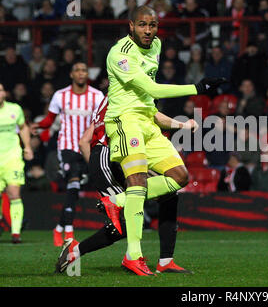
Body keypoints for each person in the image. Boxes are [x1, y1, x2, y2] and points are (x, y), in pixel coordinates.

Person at [103, 5, 225, 276]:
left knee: (180, 176)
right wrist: (198, 87)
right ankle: (133, 255)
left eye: (153, 25)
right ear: (131, 26)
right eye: (143, 25)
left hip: (148, 121)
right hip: (125, 122)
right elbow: (152, 88)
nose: (149, 31)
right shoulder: (120, 54)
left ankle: (119, 202)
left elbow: (148, 98)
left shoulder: (156, 45)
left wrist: (171, 121)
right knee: (137, 180)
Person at [55, 96, 198, 274]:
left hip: (128, 153)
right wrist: (98, 172)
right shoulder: (123, 93)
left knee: (169, 195)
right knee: (121, 225)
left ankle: (165, 261)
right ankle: (75, 251)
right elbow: (86, 140)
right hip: (107, 158)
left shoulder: (122, 91)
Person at [31, 62, 105, 246]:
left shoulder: (96, 96)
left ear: (87, 75)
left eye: (84, 71)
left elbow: (101, 122)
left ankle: (58, 228)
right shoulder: (60, 95)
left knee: (75, 188)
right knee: (73, 183)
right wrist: (38, 126)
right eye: (78, 70)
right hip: (67, 146)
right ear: (72, 74)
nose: (81, 73)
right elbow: (50, 119)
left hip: (88, 147)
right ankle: (69, 234)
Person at [0, 83, 33, 243]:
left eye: (0, 90)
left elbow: (23, 127)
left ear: (4, 93)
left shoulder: (14, 109)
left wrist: (27, 147)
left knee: (14, 193)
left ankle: (15, 233)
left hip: (12, 158)